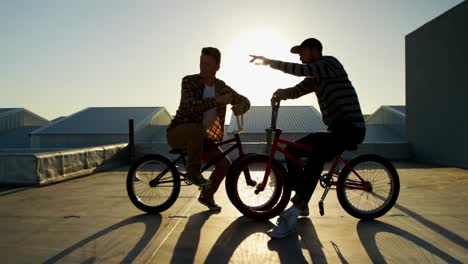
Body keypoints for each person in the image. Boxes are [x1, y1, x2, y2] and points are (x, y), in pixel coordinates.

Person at [250, 38, 365, 238]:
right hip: (336, 130)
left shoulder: (330, 64)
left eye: (302, 53)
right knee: (292, 149)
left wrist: (270, 62)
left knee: (317, 156)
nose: (301, 58)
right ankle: (301, 198)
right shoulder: (316, 77)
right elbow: (298, 90)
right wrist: (281, 94)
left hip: (350, 128)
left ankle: (296, 209)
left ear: (314, 50)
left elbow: (299, 70)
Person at [167, 47, 250, 211]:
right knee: (196, 129)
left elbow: (244, 100)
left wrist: (242, 106)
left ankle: (206, 195)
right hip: (177, 132)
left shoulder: (221, 87)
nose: (203, 67)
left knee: (225, 164)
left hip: (201, 139)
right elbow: (190, 105)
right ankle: (193, 172)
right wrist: (218, 101)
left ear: (217, 67)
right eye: (201, 63)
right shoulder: (189, 81)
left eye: (207, 64)